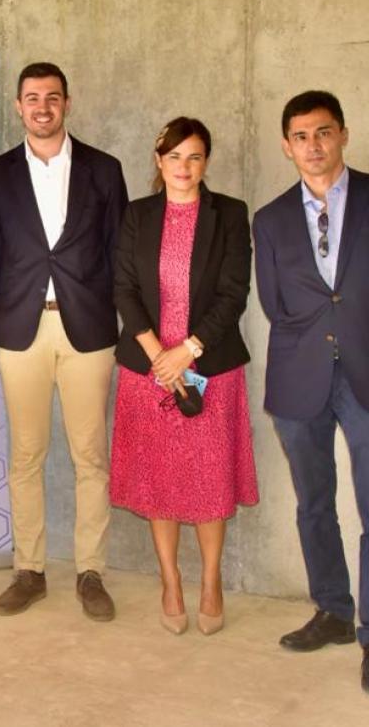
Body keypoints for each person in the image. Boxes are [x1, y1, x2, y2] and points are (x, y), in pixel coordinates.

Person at [254, 91, 369, 695]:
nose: (313, 146)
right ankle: (333, 610)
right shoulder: (271, 218)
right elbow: (275, 304)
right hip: (299, 377)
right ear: (287, 146)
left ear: (343, 135)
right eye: (301, 136)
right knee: (313, 504)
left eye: (323, 133)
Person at [0, 62, 127, 621]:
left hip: (88, 329)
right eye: (32, 98)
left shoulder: (105, 169)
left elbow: (119, 254)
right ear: (18, 106)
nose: (43, 107)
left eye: (53, 97)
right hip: (20, 330)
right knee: (26, 455)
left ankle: (91, 572)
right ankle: (30, 570)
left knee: (91, 455)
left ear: (68, 103)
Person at [109, 117, 258, 636]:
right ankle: (170, 581)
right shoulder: (137, 215)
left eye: (194, 157)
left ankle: (210, 582)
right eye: (174, 157)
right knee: (158, 481)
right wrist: (159, 355)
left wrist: (188, 352)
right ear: (159, 162)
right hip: (148, 369)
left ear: (206, 162)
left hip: (209, 367)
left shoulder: (230, 215)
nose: (184, 167)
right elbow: (124, 288)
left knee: (208, 479)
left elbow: (233, 293)